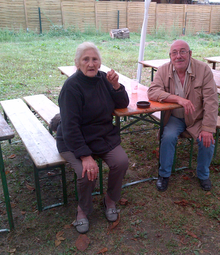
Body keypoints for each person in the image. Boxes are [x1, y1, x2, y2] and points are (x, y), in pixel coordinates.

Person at [54, 42, 129, 234]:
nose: (91, 63)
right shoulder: (71, 87)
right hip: (73, 140)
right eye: (85, 59)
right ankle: (83, 210)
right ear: (77, 63)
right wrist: (85, 156)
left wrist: (116, 85)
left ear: (100, 62)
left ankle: (110, 200)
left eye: (94, 59)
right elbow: (70, 127)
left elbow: (123, 103)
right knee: (86, 172)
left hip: (101, 136)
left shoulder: (104, 79)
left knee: (121, 161)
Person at [147, 39, 218, 192]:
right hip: (175, 117)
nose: (178, 56)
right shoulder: (163, 70)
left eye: (182, 52)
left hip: (197, 118)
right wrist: (178, 99)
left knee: (207, 140)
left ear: (190, 54)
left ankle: (203, 175)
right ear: (170, 56)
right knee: (168, 137)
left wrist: (207, 127)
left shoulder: (203, 69)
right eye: (174, 53)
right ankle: (164, 175)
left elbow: (211, 101)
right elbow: (152, 92)